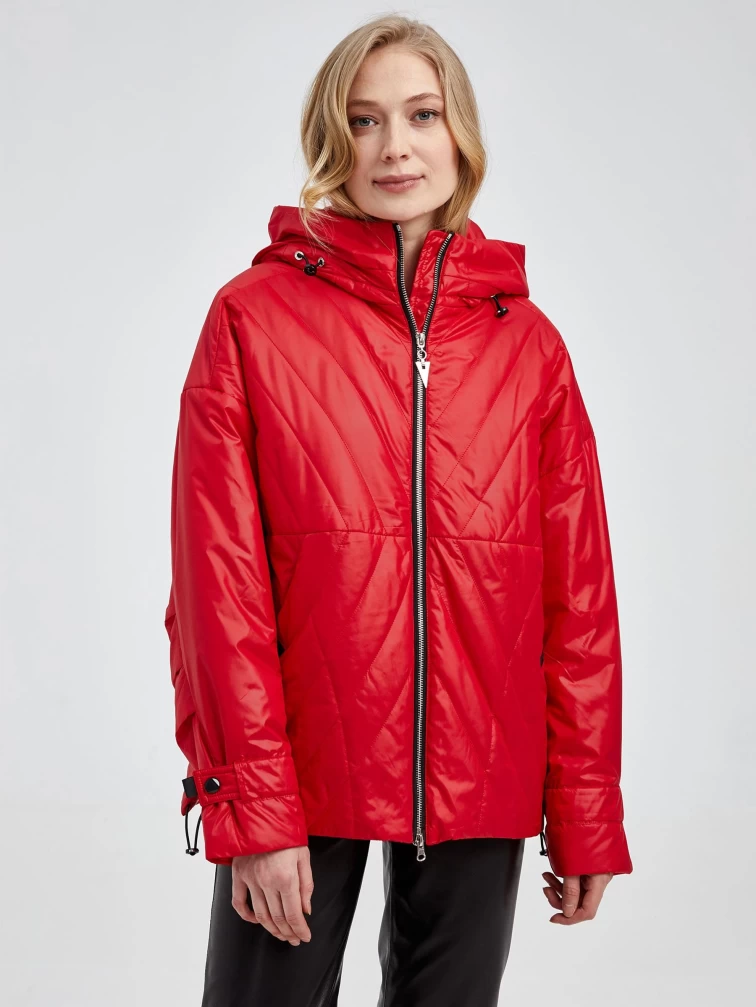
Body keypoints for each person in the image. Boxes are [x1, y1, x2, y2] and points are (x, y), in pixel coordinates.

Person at [164, 13, 633, 1007]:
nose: (396, 147)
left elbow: (579, 602)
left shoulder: (529, 347)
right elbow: (217, 587)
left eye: (422, 115)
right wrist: (253, 806)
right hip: (300, 768)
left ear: (460, 132)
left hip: (481, 770)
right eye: (364, 119)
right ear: (331, 140)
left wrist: (585, 807)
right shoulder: (252, 320)